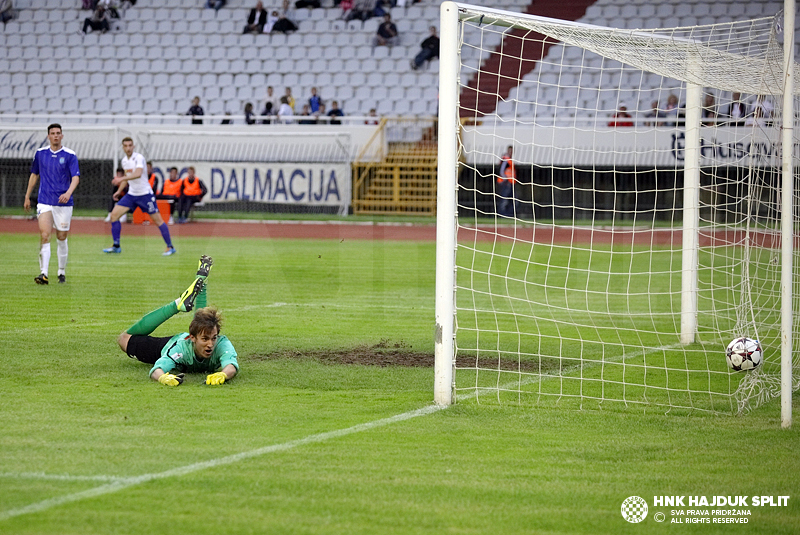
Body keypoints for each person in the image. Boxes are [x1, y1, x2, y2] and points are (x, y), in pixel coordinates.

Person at [117, 256, 239, 387]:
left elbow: (231, 365)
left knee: (201, 324)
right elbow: (157, 369)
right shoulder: (180, 348)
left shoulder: (221, 344)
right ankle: (176, 305)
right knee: (123, 339)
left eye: (213, 338)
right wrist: (163, 378)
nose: (210, 344)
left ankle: (202, 282)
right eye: (205, 339)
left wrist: (223, 374)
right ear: (192, 337)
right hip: (168, 344)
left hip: (191, 340)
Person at [24, 124, 80, 285]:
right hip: (45, 201)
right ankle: (44, 274)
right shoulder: (40, 154)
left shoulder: (70, 155)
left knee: (61, 237)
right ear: (48, 136)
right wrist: (27, 196)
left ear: (62, 135)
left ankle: (61, 272)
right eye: (52, 133)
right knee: (44, 235)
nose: (55, 136)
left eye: (58, 133)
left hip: (64, 203)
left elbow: (75, 177)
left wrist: (68, 193)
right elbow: (34, 175)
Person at [103, 137, 176, 255]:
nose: (128, 148)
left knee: (158, 220)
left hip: (145, 194)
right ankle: (116, 246)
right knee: (114, 215)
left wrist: (121, 178)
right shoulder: (124, 161)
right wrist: (119, 190)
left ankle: (170, 247)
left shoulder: (139, 158)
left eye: (130, 145)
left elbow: (137, 174)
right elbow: (127, 178)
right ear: (122, 147)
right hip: (132, 194)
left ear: (134, 146)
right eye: (125, 146)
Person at [497, 145, 517, 218]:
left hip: (511, 183)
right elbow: (502, 170)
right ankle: (502, 215)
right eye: (510, 151)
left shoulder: (510, 160)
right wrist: (505, 179)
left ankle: (509, 215)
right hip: (506, 183)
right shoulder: (506, 159)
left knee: (512, 200)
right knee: (504, 199)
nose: (511, 152)